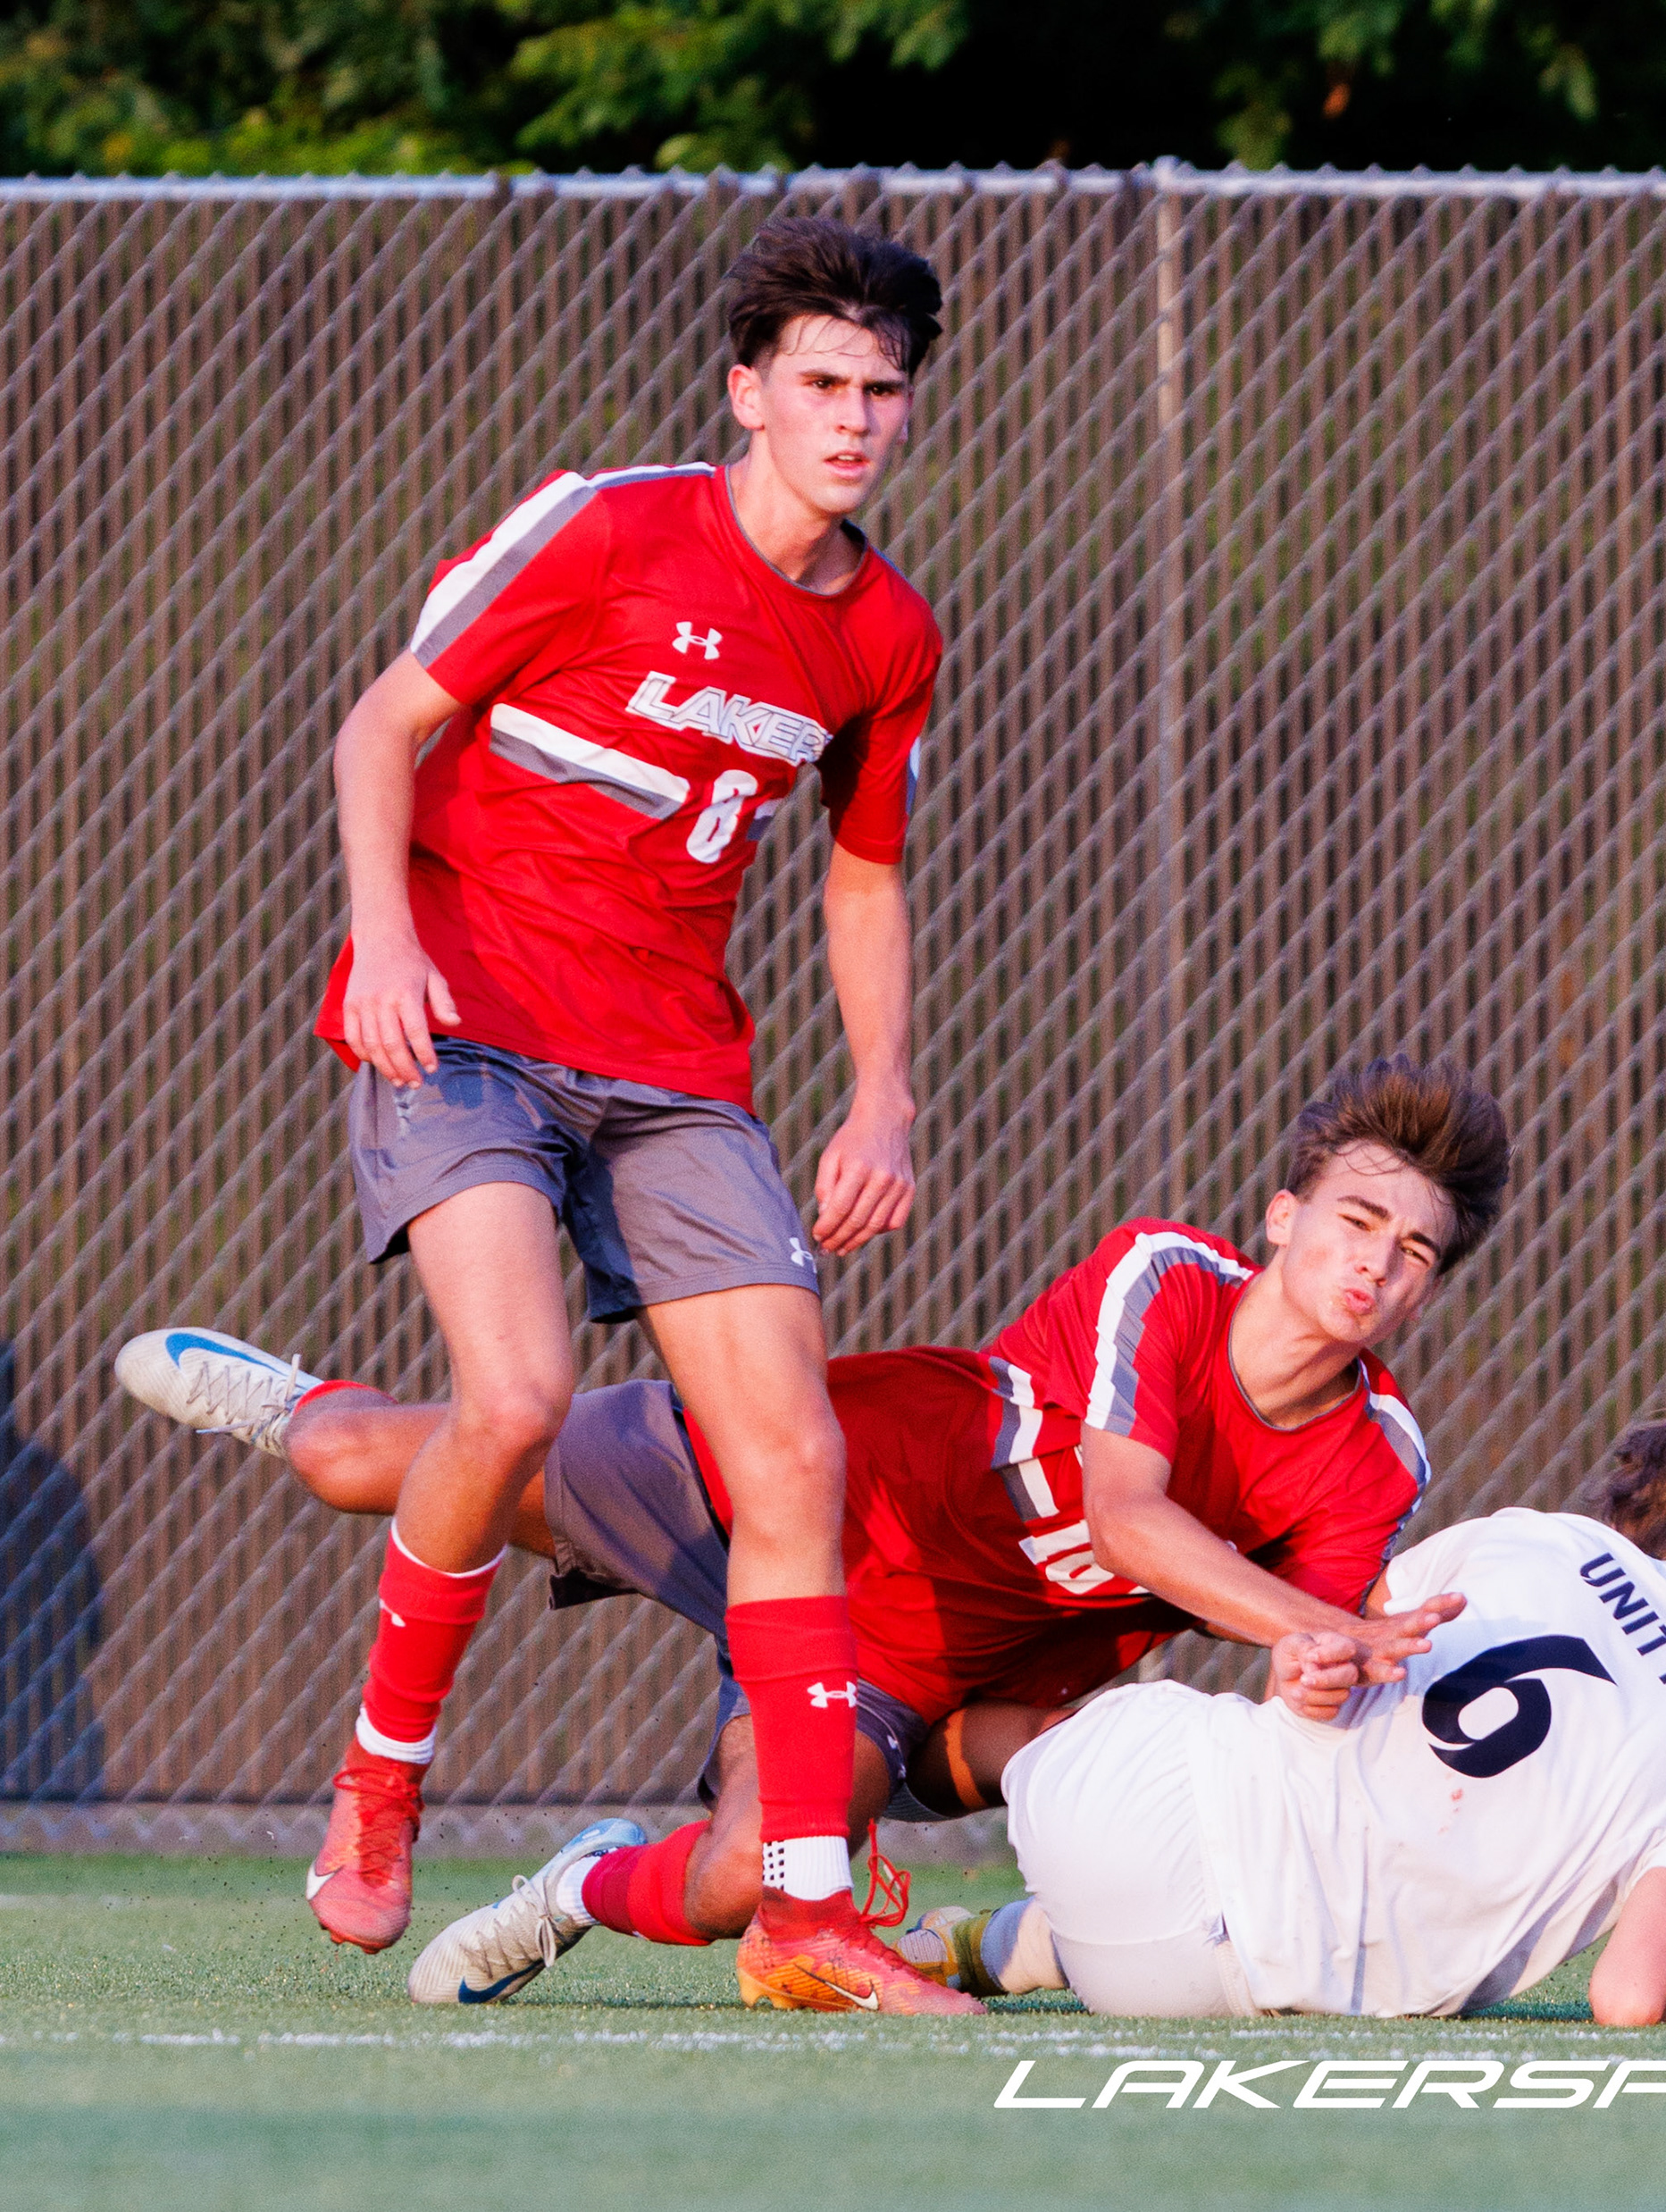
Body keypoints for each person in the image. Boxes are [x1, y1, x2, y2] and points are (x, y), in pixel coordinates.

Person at [213, 210, 954, 2007]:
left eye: (882, 390)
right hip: (465, 1020)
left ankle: (806, 1910)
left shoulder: (888, 633)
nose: (854, 418)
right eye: (822, 384)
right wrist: (385, 939)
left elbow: (863, 877)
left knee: (796, 1462)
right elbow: (380, 728)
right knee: (518, 1395)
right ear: (748, 392)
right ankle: (382, 1773)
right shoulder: (610, 524)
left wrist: (883, 1096)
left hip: (675, 1068)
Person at [117, 1055, 1510, 2010]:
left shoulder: (1376, 1454)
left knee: (746, 1881)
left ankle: (577, 1889)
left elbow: (1302, 1686)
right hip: (786, 1479)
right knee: (363, 1464)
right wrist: (1316, 1626)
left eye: (1415, 1251)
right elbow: (1126, 1516)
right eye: (1356, 1219)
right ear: (1282, 1216)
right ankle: (298, 1405)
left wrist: (1319, 1667)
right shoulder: (1171, 1274)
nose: (1374, 1263)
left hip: (889, 1664)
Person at [896, 1398, 1666, 2025]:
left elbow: (1334, 1663)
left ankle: (852, 1786)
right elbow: (1632, 1998)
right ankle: (1000, 1941)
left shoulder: (1540, 1535)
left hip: (1125, 1812)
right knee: (1264, 1900)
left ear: (1629, 1499)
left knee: (1056, 1744)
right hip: (1205, 1987)